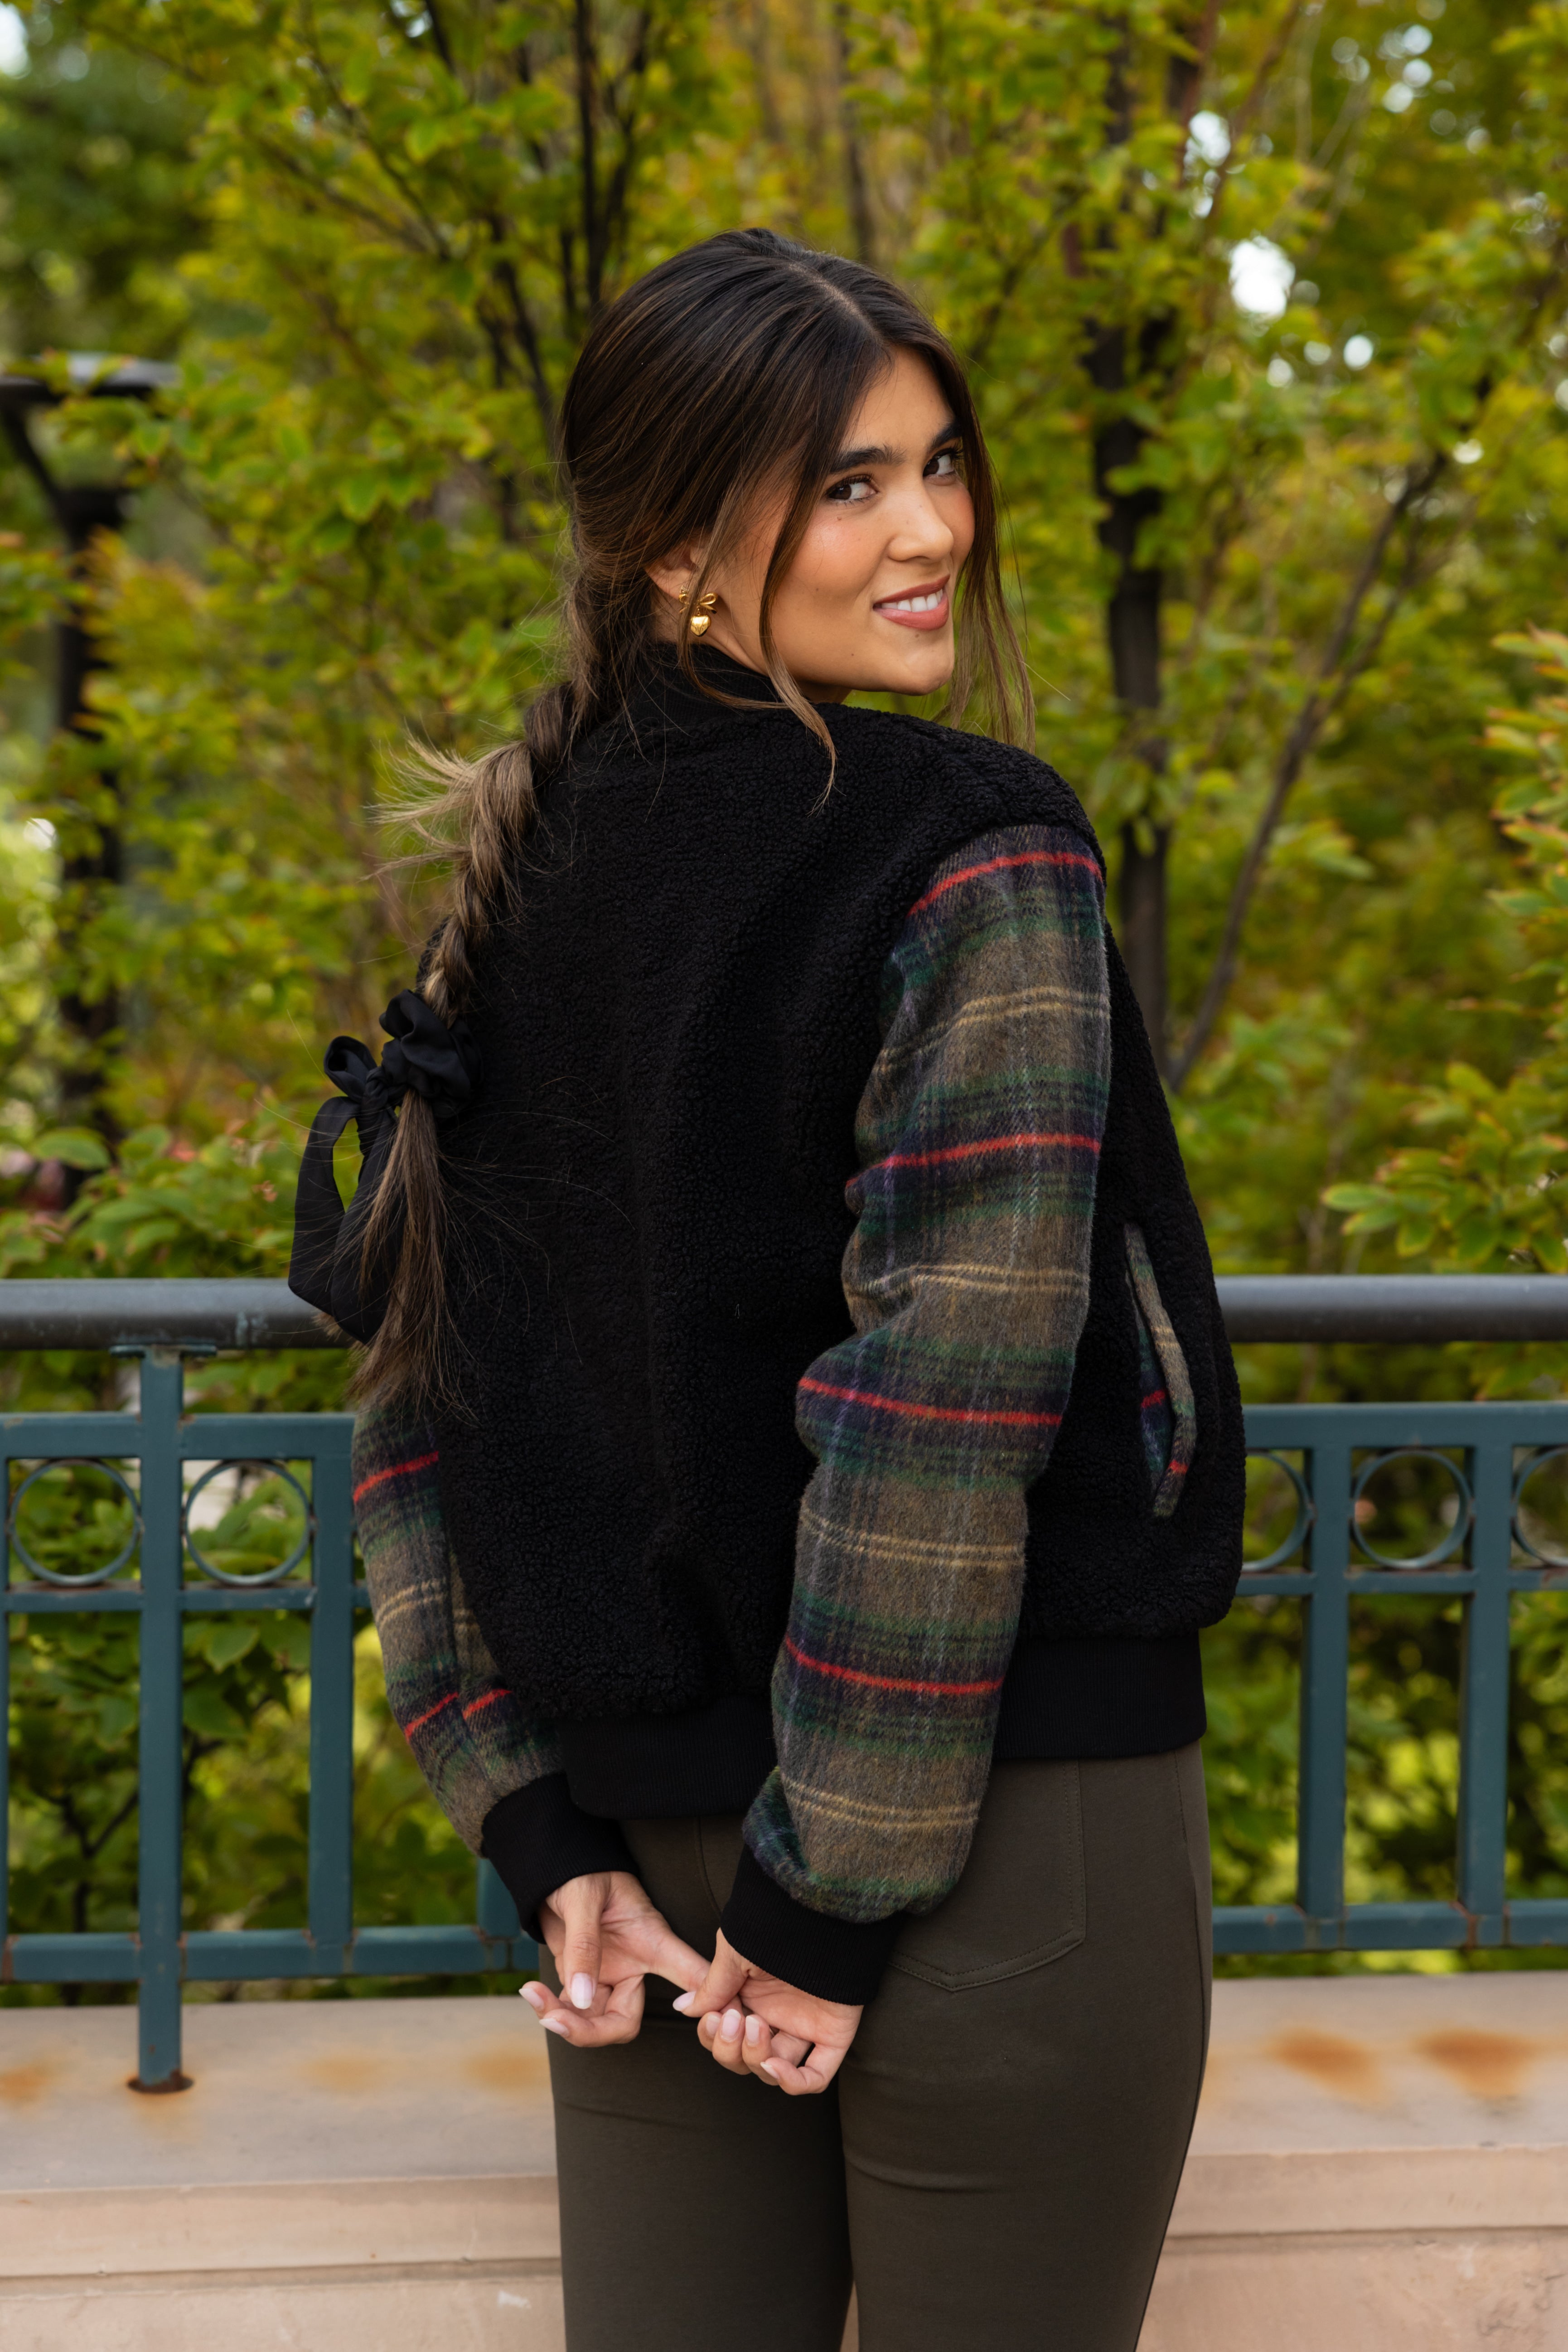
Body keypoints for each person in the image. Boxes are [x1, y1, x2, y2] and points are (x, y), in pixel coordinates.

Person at [290, 226, 1244, 2352]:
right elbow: (940, 1401)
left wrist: (532, 1817)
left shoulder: (509, 883)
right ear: (663, 538)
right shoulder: (966, 839)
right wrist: (798, 1893)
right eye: (844, 483)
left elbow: (410, 1418)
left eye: (936, 460)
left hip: (642, 1857)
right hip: (993, 1828)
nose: (930, 531)